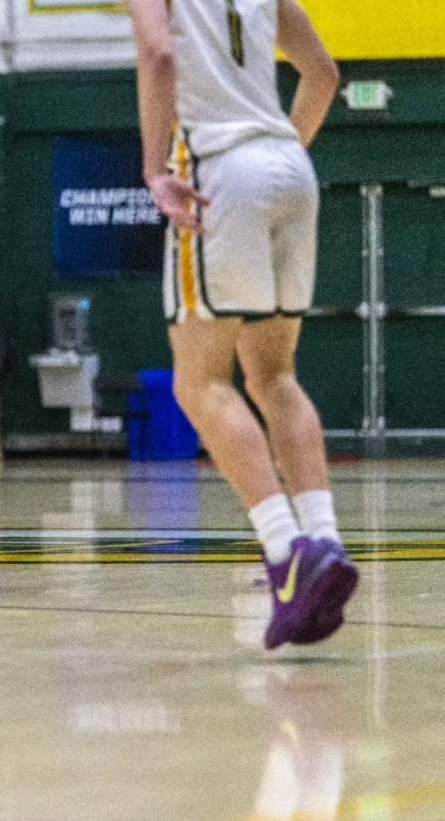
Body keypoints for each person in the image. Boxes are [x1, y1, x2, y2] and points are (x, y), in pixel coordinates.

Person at [123, 0, 356, 648]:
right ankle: (323, 540)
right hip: (290, 165)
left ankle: (287, 554)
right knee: (275, 374)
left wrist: (152, 169)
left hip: (219, 169)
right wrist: (279, 158)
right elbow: (324, 74)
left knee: (197, 383)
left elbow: (159, 53)